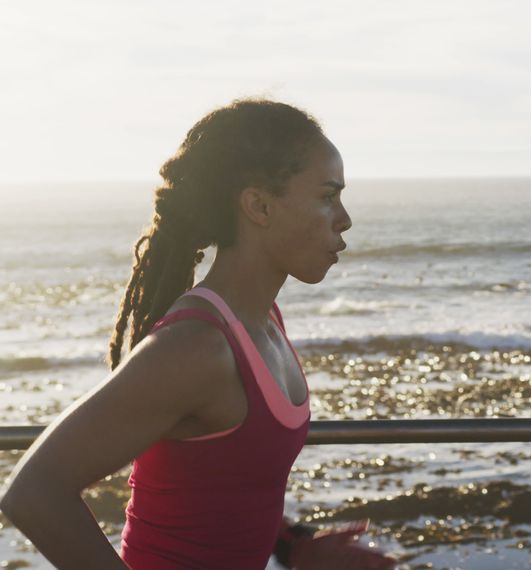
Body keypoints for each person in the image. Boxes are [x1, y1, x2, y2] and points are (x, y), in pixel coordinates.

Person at [0, 99, 396, 569]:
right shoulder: (198, 348)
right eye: (328, 196)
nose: (344, 218)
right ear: (259, 206)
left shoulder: (264, 322)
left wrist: (294, 546)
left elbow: (227, 486)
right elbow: (33, 492)